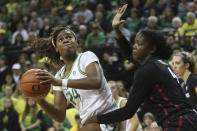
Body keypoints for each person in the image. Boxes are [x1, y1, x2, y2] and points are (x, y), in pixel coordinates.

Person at [85, 4, 197, 131]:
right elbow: (130, 54)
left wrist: (96, 118)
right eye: (135, 43)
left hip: (179, 123)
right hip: (188, 119)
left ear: (152, 49)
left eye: (139, 44)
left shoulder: (148, 70)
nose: (134, 46)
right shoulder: (158, 63)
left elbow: (128, 111)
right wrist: (117, 30)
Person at [30, 26, 117, 131]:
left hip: (108, 117)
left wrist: (59, 82)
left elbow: (95, 82)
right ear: (56, 48)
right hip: (90, 123)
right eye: (60, 39)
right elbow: (60, 116)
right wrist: (40, 101)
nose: (66, 40)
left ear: (76, 42)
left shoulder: (86, 57)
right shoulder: (59, 76)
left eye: (69, 37)